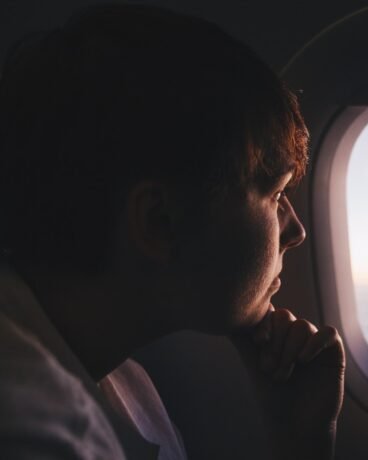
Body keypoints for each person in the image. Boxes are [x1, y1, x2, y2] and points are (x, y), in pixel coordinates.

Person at [0, 4, 345, 459]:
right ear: (159, 222)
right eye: (276, 195)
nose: (296, 231)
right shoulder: (39, 432)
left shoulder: (122, 381)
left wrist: (298, 441)